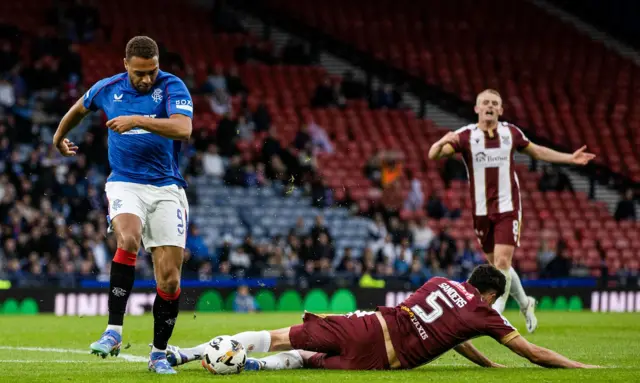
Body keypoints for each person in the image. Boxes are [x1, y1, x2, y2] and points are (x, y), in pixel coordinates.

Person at [52, 36, 193, 374]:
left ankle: (158, 354)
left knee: (170, 280)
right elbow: (78, 110)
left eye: (152, 71)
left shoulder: (172, 86)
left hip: (166, 188)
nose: (146, 79)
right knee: (127, 238)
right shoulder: (108, 88)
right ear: (125, 65)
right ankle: (113, 331)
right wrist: (58, 139)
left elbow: (183, 128)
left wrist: (138, 120)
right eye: (139, 73)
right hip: (125, 182)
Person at [163, 265, 598, 371]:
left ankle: (183, 354)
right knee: (303, 361)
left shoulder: (438, 280)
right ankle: (251, 368)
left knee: (275, 336)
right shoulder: (482, 313)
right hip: (379, 356)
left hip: (368, 322)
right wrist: (581, 366)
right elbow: (533, 353)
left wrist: (485, 363)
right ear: (490, 294)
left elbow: (450, 333)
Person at [427, 89, 595, 333]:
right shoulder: (465, 136)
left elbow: (537, 151)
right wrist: (443, 140)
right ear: (476, 108)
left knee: (503, 261)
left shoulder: (510, 133)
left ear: (501, 110)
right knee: (497, 264)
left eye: (495, 103)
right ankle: (526, 303)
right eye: (485, 102)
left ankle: (496, 314)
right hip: (481, 210)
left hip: (508, 207)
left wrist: (570, 158)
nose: (490, 106)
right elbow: (433, 156)